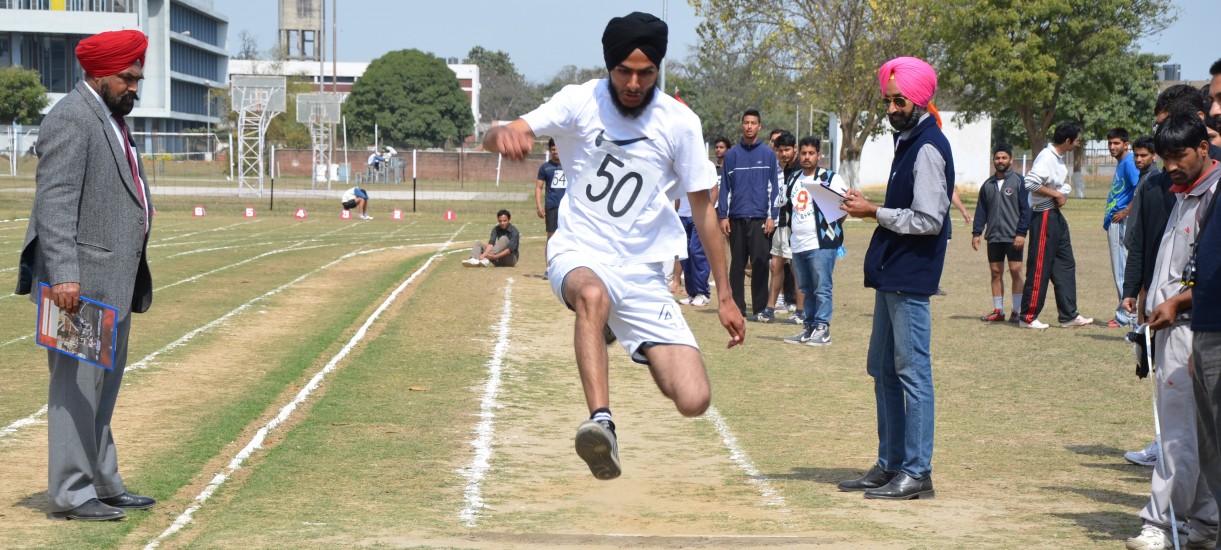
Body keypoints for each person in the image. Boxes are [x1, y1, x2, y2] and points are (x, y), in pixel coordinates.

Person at [481, 11, 745, 480]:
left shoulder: (680, 123)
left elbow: (704, 210)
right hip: (579, 250)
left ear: (658, 70)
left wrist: (725, 296)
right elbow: (507, 131)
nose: (634, 83)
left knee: (693, 398)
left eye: (645, 73)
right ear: (610, 65)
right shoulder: (579, 101)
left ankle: (609, 328)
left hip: (643, 271)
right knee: (592, 294)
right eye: (624, 71)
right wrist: (502, 134)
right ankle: (601, 422)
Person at [14, 29, 157, 521]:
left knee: (101, 391)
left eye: (137, 78)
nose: (135, 86)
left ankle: (102, 483)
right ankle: (72, 494)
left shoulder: (110, 115)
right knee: (75, 392)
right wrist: (65, 276)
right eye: (127, 78)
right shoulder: (72, 118)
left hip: (113, 279)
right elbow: (53, 204)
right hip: (79, 286)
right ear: (97, 74)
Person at [837, 56, 951, 500]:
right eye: (887, 100)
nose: (891, 108)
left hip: (910, 275)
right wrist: (870, 205)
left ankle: (917, 471)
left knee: (912, 372)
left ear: (920, 99)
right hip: (890, 274)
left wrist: (874, 212)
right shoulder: (909, 141)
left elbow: (928, 220)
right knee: (882, 368)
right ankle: (890, 463)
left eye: (899, 100)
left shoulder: (926, 146)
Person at [1122, 113, 1220, 550]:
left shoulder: (1214, 196)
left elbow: (1211, 275)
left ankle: (1161, 525)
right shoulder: (1182, 194)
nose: (1171, 167)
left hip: (1193, 327)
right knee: (1193, 433)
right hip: (1168, 327)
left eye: (1179, 156)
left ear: (1203, 148)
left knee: (1179, 433)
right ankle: (1203, 522)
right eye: (1165, 159)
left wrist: (1177, 302)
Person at [1016, 122, 1093, 329]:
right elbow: (1030, 183)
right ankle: (1028, 317)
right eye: (1076, 140)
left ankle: (1068, 315)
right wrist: (1057, 194)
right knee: (1040, 266)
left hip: (1056, 216)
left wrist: (1062, 192)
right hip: (1043, 215)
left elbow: (1057, 184)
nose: (1078, 143)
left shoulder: (1058, 158)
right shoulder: (1047, 157)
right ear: (1067, 141)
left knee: (1066, 264)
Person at [718, 109, 780, 321]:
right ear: (742, 125)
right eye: (746, 122)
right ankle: (737, 307)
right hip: (736, 218)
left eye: (753, 123)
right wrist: (723, 216)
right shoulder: (732, 155)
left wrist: (773, 216)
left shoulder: (769, 155)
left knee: (761, 263)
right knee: (737, 265)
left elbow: (775, 188)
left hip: (761, 219)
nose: (749, 126)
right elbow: (725, 187)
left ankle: (761, 308)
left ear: (759, 126)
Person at [782, 136, 844, 346]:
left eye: (811, 153)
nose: (807, 157)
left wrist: (832, 230)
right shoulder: (793, 178)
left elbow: (843, 209)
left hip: (822, 244)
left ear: (819, 154)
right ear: (799, 155)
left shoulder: (830, 178)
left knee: (822, 288)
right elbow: (787, 208)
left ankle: (823, 329)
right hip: (798, 243)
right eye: (803, 153)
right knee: (806, 289)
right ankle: (808, 328)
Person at [971, 145, 1030, 323]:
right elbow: (981, 211)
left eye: (1004, 158)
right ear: (994, 160)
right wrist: (976, 232)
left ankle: (1017, 311)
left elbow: (1026, 210)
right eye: (997, 158)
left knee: (1016, 270)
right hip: (994, 237)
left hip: (1013, 236)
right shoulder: (987, 185)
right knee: (995, 272)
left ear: (1011, 160)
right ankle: (999, 310)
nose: (1001, 161)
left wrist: (1021, 233)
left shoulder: (1019, 182)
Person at [763, 131, 803, 324]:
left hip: (796, 225)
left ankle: (801, 311)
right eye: (780, 150)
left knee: (797, 269)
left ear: (794, 149)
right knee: (775, 265)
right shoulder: (778, 168)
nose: (784, 154)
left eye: (787, 150)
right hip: (781, 223)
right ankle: (770, 309)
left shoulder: (801, 169)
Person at [1104, 128, 1139, 328]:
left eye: (1116, 143)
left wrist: (1126, 212)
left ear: (1126, 144)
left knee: (1121, 268)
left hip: (1121, 221)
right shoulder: (1123, 163)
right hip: (1115, 219)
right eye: (1110, 143)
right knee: (1120, 267)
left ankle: (1126, 315)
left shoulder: (1129, 162)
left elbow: (1139, 188)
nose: (1112, 147)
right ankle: (1126, 313)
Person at [677, 160, 718, 307]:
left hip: (698, 216)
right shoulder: (680, 165)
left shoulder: (707, 165)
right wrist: (675, 213)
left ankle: (703, 293)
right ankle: (692, 292)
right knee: (684, 254)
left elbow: (714, 191)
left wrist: (707, 213)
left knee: (697, 252)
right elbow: (677, 193)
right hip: (682, 216)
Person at [535, 137, 567, 273]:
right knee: (551, 238)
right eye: (553, 149)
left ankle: (566, 267)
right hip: (552, 207)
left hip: (569, 208)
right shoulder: (545, 168)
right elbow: (538, 187)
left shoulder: (569, 165)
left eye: (558, 148)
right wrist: (539, 205)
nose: (556, 152)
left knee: (568, 237)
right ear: (550, 150)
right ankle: (549, 268)